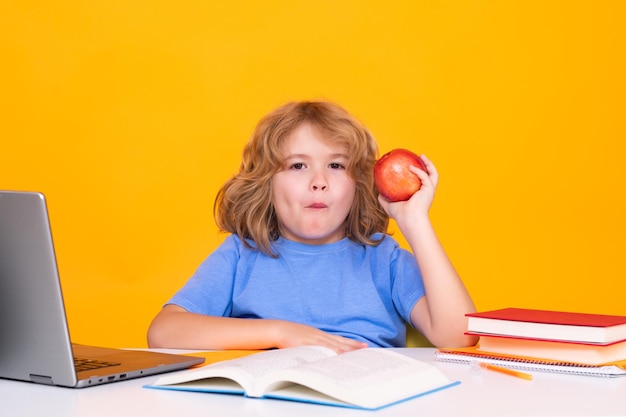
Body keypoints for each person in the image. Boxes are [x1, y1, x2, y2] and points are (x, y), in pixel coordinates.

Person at [147, 100, 478, 353]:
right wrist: (281, 333)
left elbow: (459, 336)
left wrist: (415, 221)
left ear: (359, 184)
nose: (319, 182)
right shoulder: (240, 255)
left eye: (336, 165)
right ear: (267, 183)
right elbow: (163, 332)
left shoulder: (384, 259)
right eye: (298, 165)